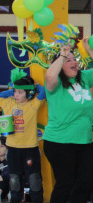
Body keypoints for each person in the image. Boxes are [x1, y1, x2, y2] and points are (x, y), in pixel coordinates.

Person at [43, 38, 93, 203]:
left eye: (74, 59)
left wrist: (90, 50)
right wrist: (62, 56)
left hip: (83, 141)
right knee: (65, 183)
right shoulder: (55, 84)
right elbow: (50, 75)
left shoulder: (84, 78)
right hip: (59, 142)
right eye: (68, 60)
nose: (74, 62)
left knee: (90, 178)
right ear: (60, 64)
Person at [0, 68, 46, 203]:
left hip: (30, 149)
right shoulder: (8, 103)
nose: (17, 95)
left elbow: (43, 92)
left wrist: (35, 86)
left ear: (29, 93)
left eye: (20, 92)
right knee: (14, 179)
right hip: (13, 149)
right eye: (15, 92)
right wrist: (13, 90)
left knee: (34, 180)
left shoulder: (33, 104)